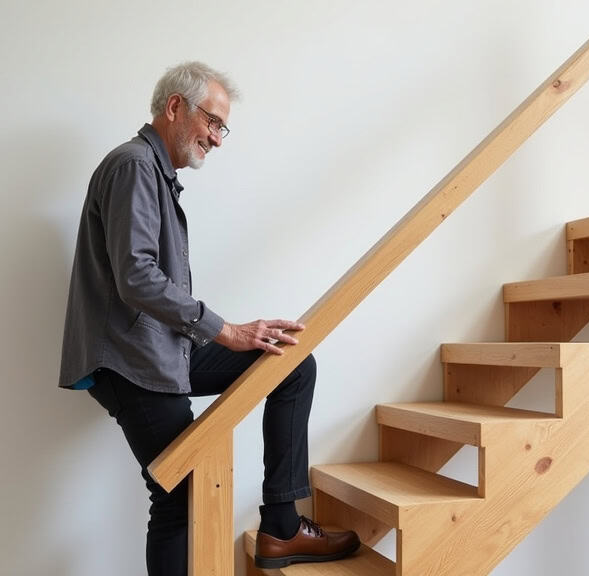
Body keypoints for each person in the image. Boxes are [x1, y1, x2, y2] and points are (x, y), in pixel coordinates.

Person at [58, 60, 359, 575]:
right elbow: (137, 276)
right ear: (175, 106)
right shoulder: (133, 165)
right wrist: (229, 331)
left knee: (291, 364)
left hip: (157, 352)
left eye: (224, 128)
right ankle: (282, 530)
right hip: (132, 361)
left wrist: (231, 336)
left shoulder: (155, 173)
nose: (218, 139)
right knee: (182, 491)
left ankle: (281, 527)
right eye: (212, 122)